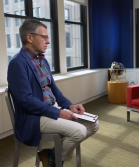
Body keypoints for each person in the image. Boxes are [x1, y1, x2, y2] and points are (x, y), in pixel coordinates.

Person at [7, 19, 99, 167]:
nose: (48, 41)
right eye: (44, 37)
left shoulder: (42, 60)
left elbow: (53, 89)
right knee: (79, 131)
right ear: (29, 38)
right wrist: (58, 113)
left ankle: (51, 155)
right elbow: (26, 100)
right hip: (34, 117)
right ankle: (55, 160)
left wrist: (70, 105)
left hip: (51, 108)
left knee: (93, 125)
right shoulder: (17, 63)